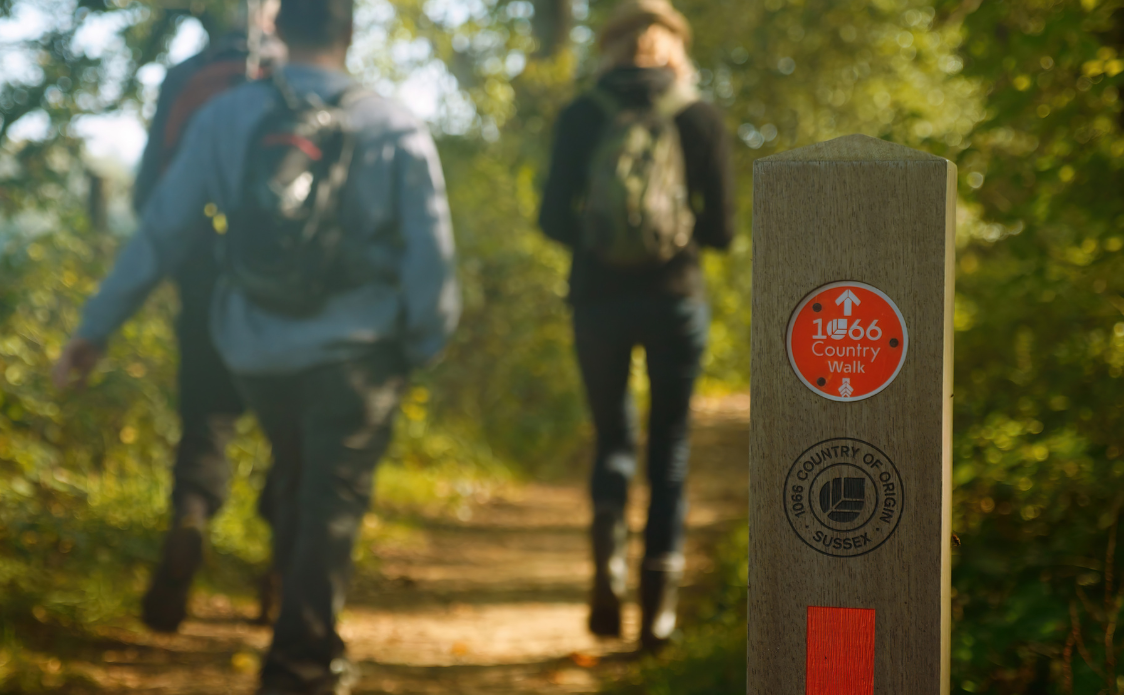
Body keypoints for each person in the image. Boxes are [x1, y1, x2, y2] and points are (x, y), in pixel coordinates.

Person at [53, 0, 460, 690]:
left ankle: (297, 637)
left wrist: (93, 330)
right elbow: (430, 254)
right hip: (358, 352)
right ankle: (299, 661)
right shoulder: (392, 122)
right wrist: (420, 342)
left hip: (255, 350)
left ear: (280, 28)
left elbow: (161, 233)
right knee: (330, 498)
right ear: (350, 31)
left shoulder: (225, 116)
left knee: (302, 476)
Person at [538, 0, 733, 652]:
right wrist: (676, 236)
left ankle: (607, 572)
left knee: (613, 440)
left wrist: (599, 240)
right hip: (675, 295)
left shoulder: (582, 114)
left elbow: (552, 219)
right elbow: (724, 229)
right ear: (677, 48)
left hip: (597, 299)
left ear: (611, 48)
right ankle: (658, 609)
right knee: (669, 447)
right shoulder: (698, 116)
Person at [128, 0, 285, 633]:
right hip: (285, 289)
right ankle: (281, 572)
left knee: (205, 423)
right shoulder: (301, 81)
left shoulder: (185, 77)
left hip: (204, 281)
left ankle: (190, 518)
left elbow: (150, 194)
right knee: (291, 434)